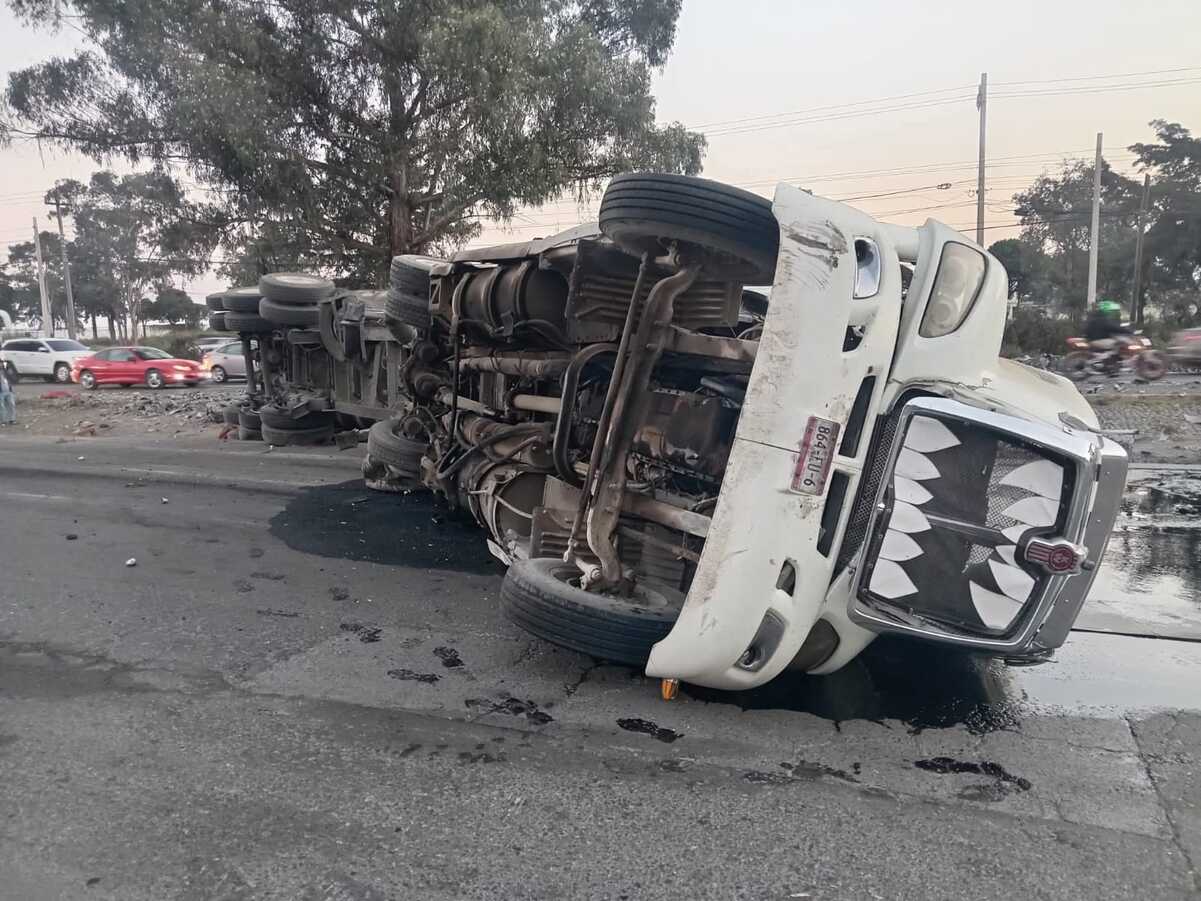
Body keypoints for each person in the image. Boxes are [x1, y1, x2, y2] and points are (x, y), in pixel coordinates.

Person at [1084, 300, 1130, 372]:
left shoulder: (1094, 317)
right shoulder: (1103, 319)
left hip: (1091, 339)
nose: (1112, 312)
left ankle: (1109, 364)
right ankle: (1108, 364)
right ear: (1106, 310)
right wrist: (1128, 331)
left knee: (1113, 343)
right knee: (1118, 343)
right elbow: (1113, 327)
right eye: (1110, 310)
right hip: (1097, 340)